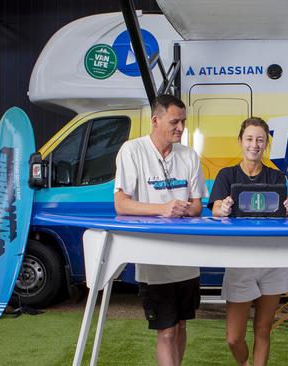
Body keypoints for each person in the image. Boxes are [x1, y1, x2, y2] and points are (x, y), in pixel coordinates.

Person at [113, 94, 208, 366]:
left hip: (187, 259)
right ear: (155, 120)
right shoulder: (132, 151)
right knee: (166, 330)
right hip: (153, 258)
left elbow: (198, 205)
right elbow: (121, 204)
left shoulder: (189, 155)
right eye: (174, 122)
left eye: (184, 122)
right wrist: (162, 208)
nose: (180, 128)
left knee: (180, 326)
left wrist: (185, 209)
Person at [208, 117, 288, 366]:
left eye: (260, 140)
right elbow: (214, 208)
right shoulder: (227, 174)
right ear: (240, 141)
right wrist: (222, 208)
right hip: (240, 259)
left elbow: (283, 216)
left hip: (272, 259)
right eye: (249, 139)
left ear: (266, 144)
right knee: (234, 338)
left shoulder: (277, 177)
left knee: (263, 329)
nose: (254, 145)